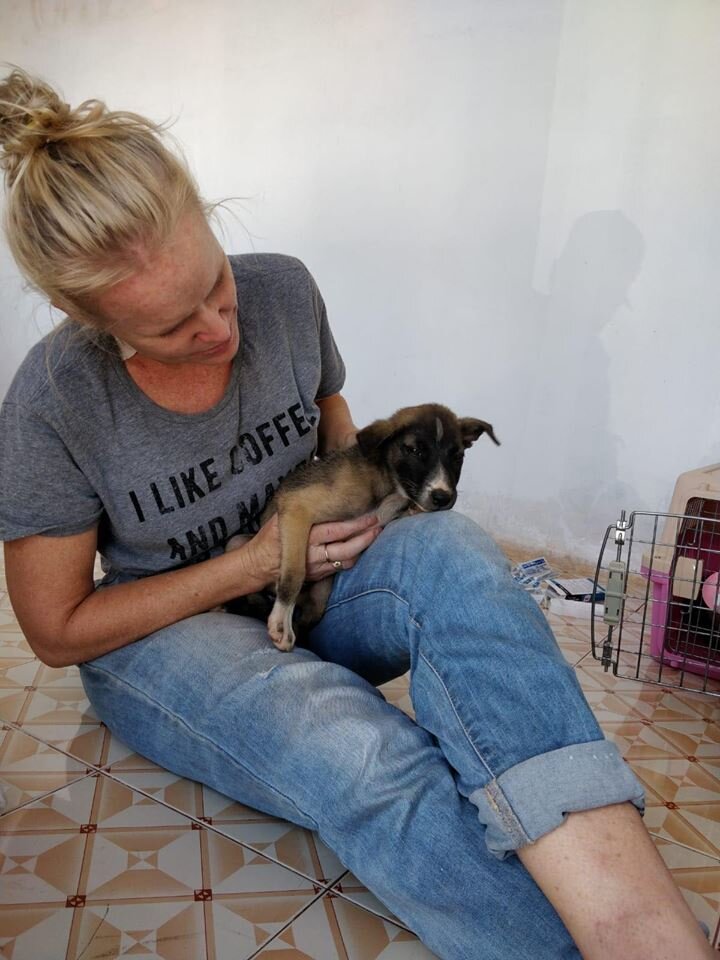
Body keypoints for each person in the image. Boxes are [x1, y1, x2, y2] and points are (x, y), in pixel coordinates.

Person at [0, 68, 711, 960]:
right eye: (177, 327)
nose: (222, 330)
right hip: (162, 632)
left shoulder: (285, 291)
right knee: (350, 742)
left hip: (314, 580)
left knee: (457, 555)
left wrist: (384, 535)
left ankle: (652, 937)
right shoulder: (52, 403)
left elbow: (341, 440)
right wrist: (254, 569)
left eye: (217, 286)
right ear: (86, 318)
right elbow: (58, 630)